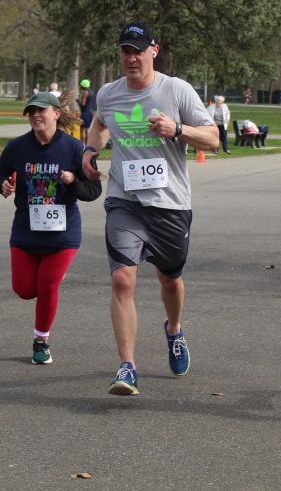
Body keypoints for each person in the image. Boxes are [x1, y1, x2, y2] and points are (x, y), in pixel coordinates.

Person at [81, 20, 220, 396]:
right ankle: (127, 367)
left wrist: (178, 130)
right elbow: (99, 124)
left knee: (170, 280)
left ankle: (174, 330)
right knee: (121, 279)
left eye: (138, 51)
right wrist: (90, 150)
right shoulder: (109, 94)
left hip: (170, 204)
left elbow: (213, 138)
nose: (131, 58)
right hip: (125, 200)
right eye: (125, 52)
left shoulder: (177, 90)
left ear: (154, 51)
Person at [0, 91, 102, 364]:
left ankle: (41, 342)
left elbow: (94, 190)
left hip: (62, 233)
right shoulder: (17, 147)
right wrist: (2, 185)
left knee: (48, 285)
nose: (36, 115)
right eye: (31, 112)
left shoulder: (75, 149)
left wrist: (73, 182)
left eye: (41, 110)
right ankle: (44, 291)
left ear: (56, 113)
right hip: (26, 230)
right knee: (25, 290)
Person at [79, 79, 95, 144]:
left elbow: (83, 104)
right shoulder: (91, 91)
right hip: (90, 112)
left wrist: (78, 101)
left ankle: (82, 145)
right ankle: (87, 144)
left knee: (82, 130)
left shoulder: (85, 92)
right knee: (87, 130)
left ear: (83, 86)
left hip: (85, 113)